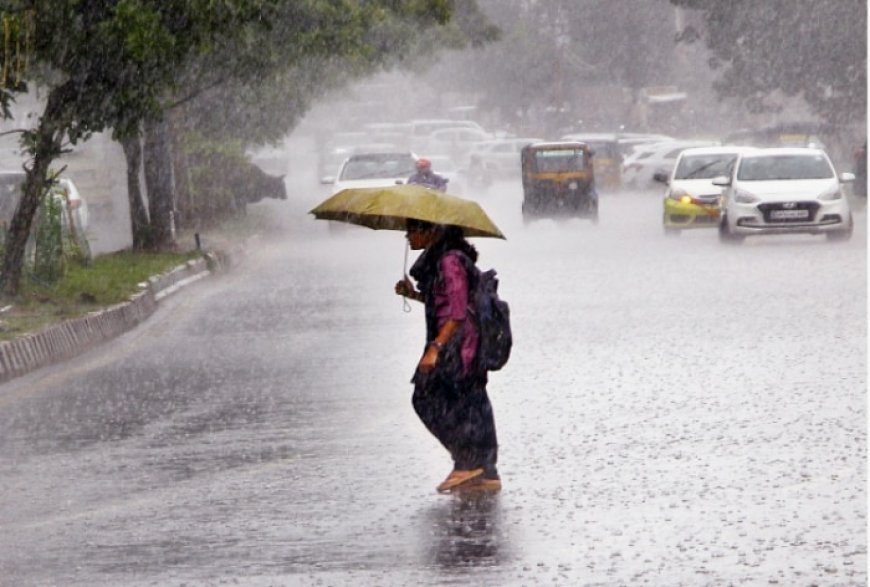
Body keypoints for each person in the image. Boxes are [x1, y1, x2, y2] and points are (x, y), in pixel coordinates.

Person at [394, 219, 501, 494]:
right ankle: (486, 472)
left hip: (458, 345)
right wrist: (414, 294)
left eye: (412, 231)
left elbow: (456, 311)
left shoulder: (450, 262)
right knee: (471, 405)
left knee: (426, 397)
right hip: (463, 343)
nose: (408, 238)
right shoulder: (446, 259)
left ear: (431, 231)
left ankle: (466, 462)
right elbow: (444, 301)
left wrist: (435, 349)